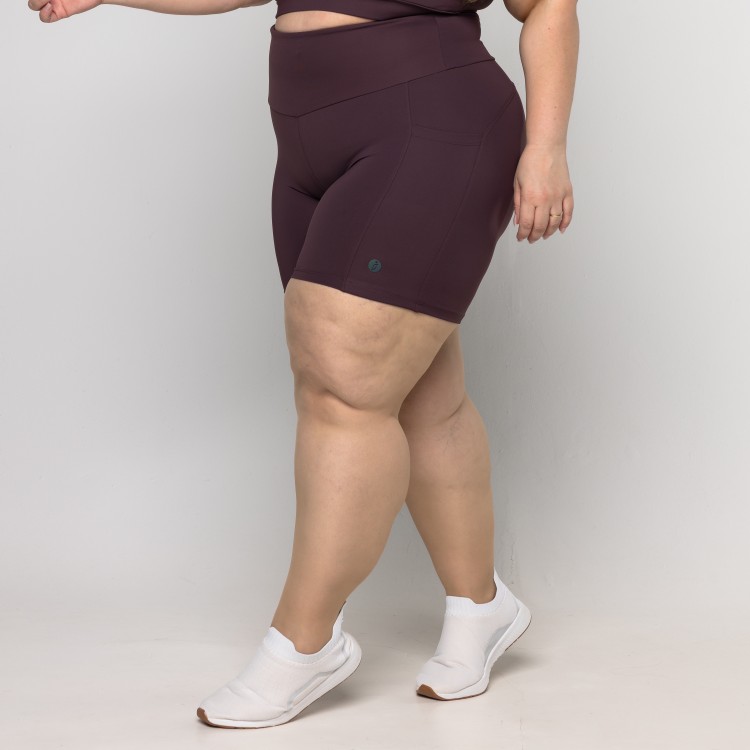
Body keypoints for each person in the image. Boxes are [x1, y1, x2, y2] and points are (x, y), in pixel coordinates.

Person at [28, 0, 578, 729]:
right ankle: (482, 607)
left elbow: (547, 5)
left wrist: (547, 145)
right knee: (420, 393)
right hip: (307, 134)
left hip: (429, 118)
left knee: (344, 384)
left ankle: (304, 643)